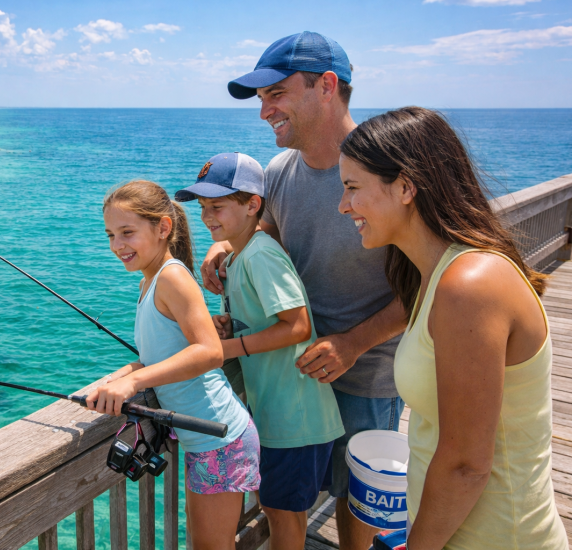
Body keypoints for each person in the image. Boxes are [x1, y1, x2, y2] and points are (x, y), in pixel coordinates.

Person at [203, 31, 407, 549]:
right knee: (289, 498)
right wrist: (223, 246)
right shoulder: (278, 172)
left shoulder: (388, 170)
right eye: (261, 98)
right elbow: (269, 233)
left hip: (367, 372)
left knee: (356, 501)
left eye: (276, 93)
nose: (264, 111)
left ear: (327, 86)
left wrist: (353, 342)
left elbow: (429, 283)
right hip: (295, 377)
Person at [338, 106, 567, 549]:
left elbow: (466, 465)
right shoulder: (433, 275)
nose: (342, 205)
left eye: (352, 187)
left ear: (405, 186)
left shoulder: (469, 285)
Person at [176, 153, 344, 550]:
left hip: (294, 420)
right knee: (276, 508)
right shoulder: (240, 255)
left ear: (253, 204)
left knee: (283, 517)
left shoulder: (260, 254)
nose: (207, 217)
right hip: (277, 415)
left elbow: (297, 325)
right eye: (202, 208)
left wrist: (225, 347)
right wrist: (232, 327)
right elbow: (267, 320)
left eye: (217, 206)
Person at [91, 180, 260, 549]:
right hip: (203, 439)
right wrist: (115, 380)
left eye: (127, 232)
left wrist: (134, 383)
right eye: (110, 235)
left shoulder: (171, 277)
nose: (117, 245)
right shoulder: (150, 282)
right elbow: (154, 359)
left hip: (220, 437)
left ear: (163, 228)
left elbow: (210, 352)